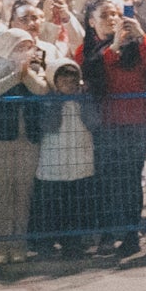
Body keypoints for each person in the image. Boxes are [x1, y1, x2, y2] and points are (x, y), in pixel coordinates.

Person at [0, 6, 58, 263]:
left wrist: (26, 73)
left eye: (29, 46)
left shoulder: (34, 67)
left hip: (27, 139)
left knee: (23, 194)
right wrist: (13, 76)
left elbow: (41, 90)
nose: (27, 51)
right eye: (21, 46)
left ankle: (18, 245)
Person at [80, 0, 146, 256]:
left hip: (136, 123)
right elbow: (96, 71)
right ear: (92, 22)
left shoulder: (134, 47)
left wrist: (141, 35)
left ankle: (130, 233)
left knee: (130, 181)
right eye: (105, 15)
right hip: (106, 124)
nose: (113, 19)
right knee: (107, 181)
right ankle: (107, 233)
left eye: (116, 14)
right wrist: (113, 46)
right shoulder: (87, 49)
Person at [30, 57, 99, 249]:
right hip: (54, 160)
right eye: (64, 82)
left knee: (76, 205)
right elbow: (48, 126)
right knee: (52, 205)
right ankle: (47, 241)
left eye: (73, 82)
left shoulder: (84, 100)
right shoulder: (48, 102)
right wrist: (57, 103)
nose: (69, 86)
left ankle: (73, 242)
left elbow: (94, 123)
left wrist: (83, 101)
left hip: (80, 160)